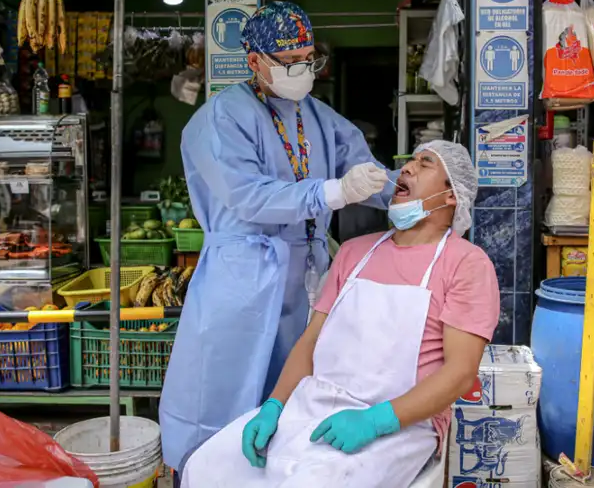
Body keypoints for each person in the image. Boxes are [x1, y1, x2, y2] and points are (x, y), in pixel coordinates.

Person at [160, 1, 398, 472]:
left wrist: (409, 199)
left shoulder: (318, 117)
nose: (303, 71)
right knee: (226, 399)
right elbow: (247, 196)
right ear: (255, 61)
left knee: (295, 399)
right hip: (242, 279)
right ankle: (204, 473)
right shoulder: (220, 119)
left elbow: (364, 172)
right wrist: (332, 192)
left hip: (306, 277)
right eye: (290, 62)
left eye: (310, 59)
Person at [181, 140, 500, 487]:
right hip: (312, 405)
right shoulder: (354, 252)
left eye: (424, 164)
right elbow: (311, 340)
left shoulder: (466, 263)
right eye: (409, 160)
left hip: (400, 423)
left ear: (451, 196)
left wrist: (377, 421)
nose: (406, 168)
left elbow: (459, 372)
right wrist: (275, 405)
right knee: (207, 467)